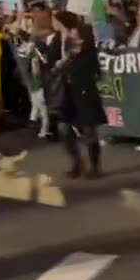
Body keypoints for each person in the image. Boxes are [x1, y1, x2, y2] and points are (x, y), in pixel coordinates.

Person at [50, 19, 107, 179]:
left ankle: (95, 166)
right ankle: (77, 163)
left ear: (83, 37)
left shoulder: (90, 53)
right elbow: (58, 69)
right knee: (64, 129)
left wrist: (72, 58)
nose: (72, 36)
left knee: (89, 131)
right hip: (67, 96)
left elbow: (91, 73)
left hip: (84, 95)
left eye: (75, 35)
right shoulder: (69, 52)